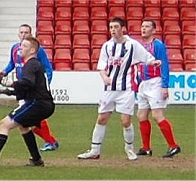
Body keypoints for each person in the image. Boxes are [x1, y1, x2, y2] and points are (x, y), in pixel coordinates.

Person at [77, 17, 162, 160]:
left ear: (123, 29)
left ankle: (129, 149)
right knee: (102, 118)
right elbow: (102, 66)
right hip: (109, 89)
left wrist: (154, 62)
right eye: (111, 27)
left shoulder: (132, 45)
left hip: (126, 89)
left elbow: (147, 57)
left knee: (126, 121)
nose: (113, 30)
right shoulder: (107, 46)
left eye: (116, 27)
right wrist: (104, 77)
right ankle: (94, 150)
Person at [0, 36, 56, 168]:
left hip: (38, 103)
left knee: (4, 124)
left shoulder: (30, 64)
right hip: (43, 104)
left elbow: (27, 83)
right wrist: (8, 91)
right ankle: (36, 160)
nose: (20, 49)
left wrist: (8, 82)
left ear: (33, 50)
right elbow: (28, 88)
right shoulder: (33, 64)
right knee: (24, 127)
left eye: (24, 46)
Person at [0, 24, 59, 151]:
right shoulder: (15, 49)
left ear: (30, 34)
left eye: (26, 32)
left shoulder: (37, 50)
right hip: (23, 87)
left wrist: (46, 83)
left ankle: (50, 141)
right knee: (26, 120)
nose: (24, 34)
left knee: (30, 117)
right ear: (18, 34)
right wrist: (4, 72)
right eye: (21, 32)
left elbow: (47, 66)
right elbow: (12, 64)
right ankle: (46, 146)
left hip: (33, 87)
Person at [135, 19, 181, 158]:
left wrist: (165, 85)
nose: (143, 28)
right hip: (144, 83)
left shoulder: (158, 45)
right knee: (141, 115)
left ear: (154, 30)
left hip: (155, 82)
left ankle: (174, 146)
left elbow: (165, 65)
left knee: (157, 115)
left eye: (147, 26)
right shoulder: (140, 45)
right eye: (142, 26)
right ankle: (146, 148)